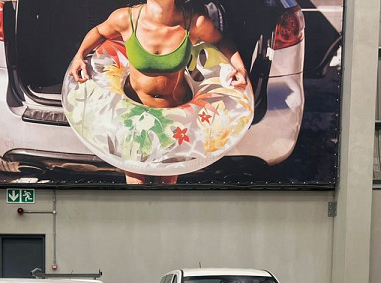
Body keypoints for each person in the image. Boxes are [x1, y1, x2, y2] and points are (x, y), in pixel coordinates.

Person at [69, 0, 248, 185]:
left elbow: (220, 40)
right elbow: (99, 31)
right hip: (134, 117)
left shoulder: (194, 23)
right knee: (137, 184)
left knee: (166, 186)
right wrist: (79, 56)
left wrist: (240, 68)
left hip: (175, 117)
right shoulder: (126, 18)